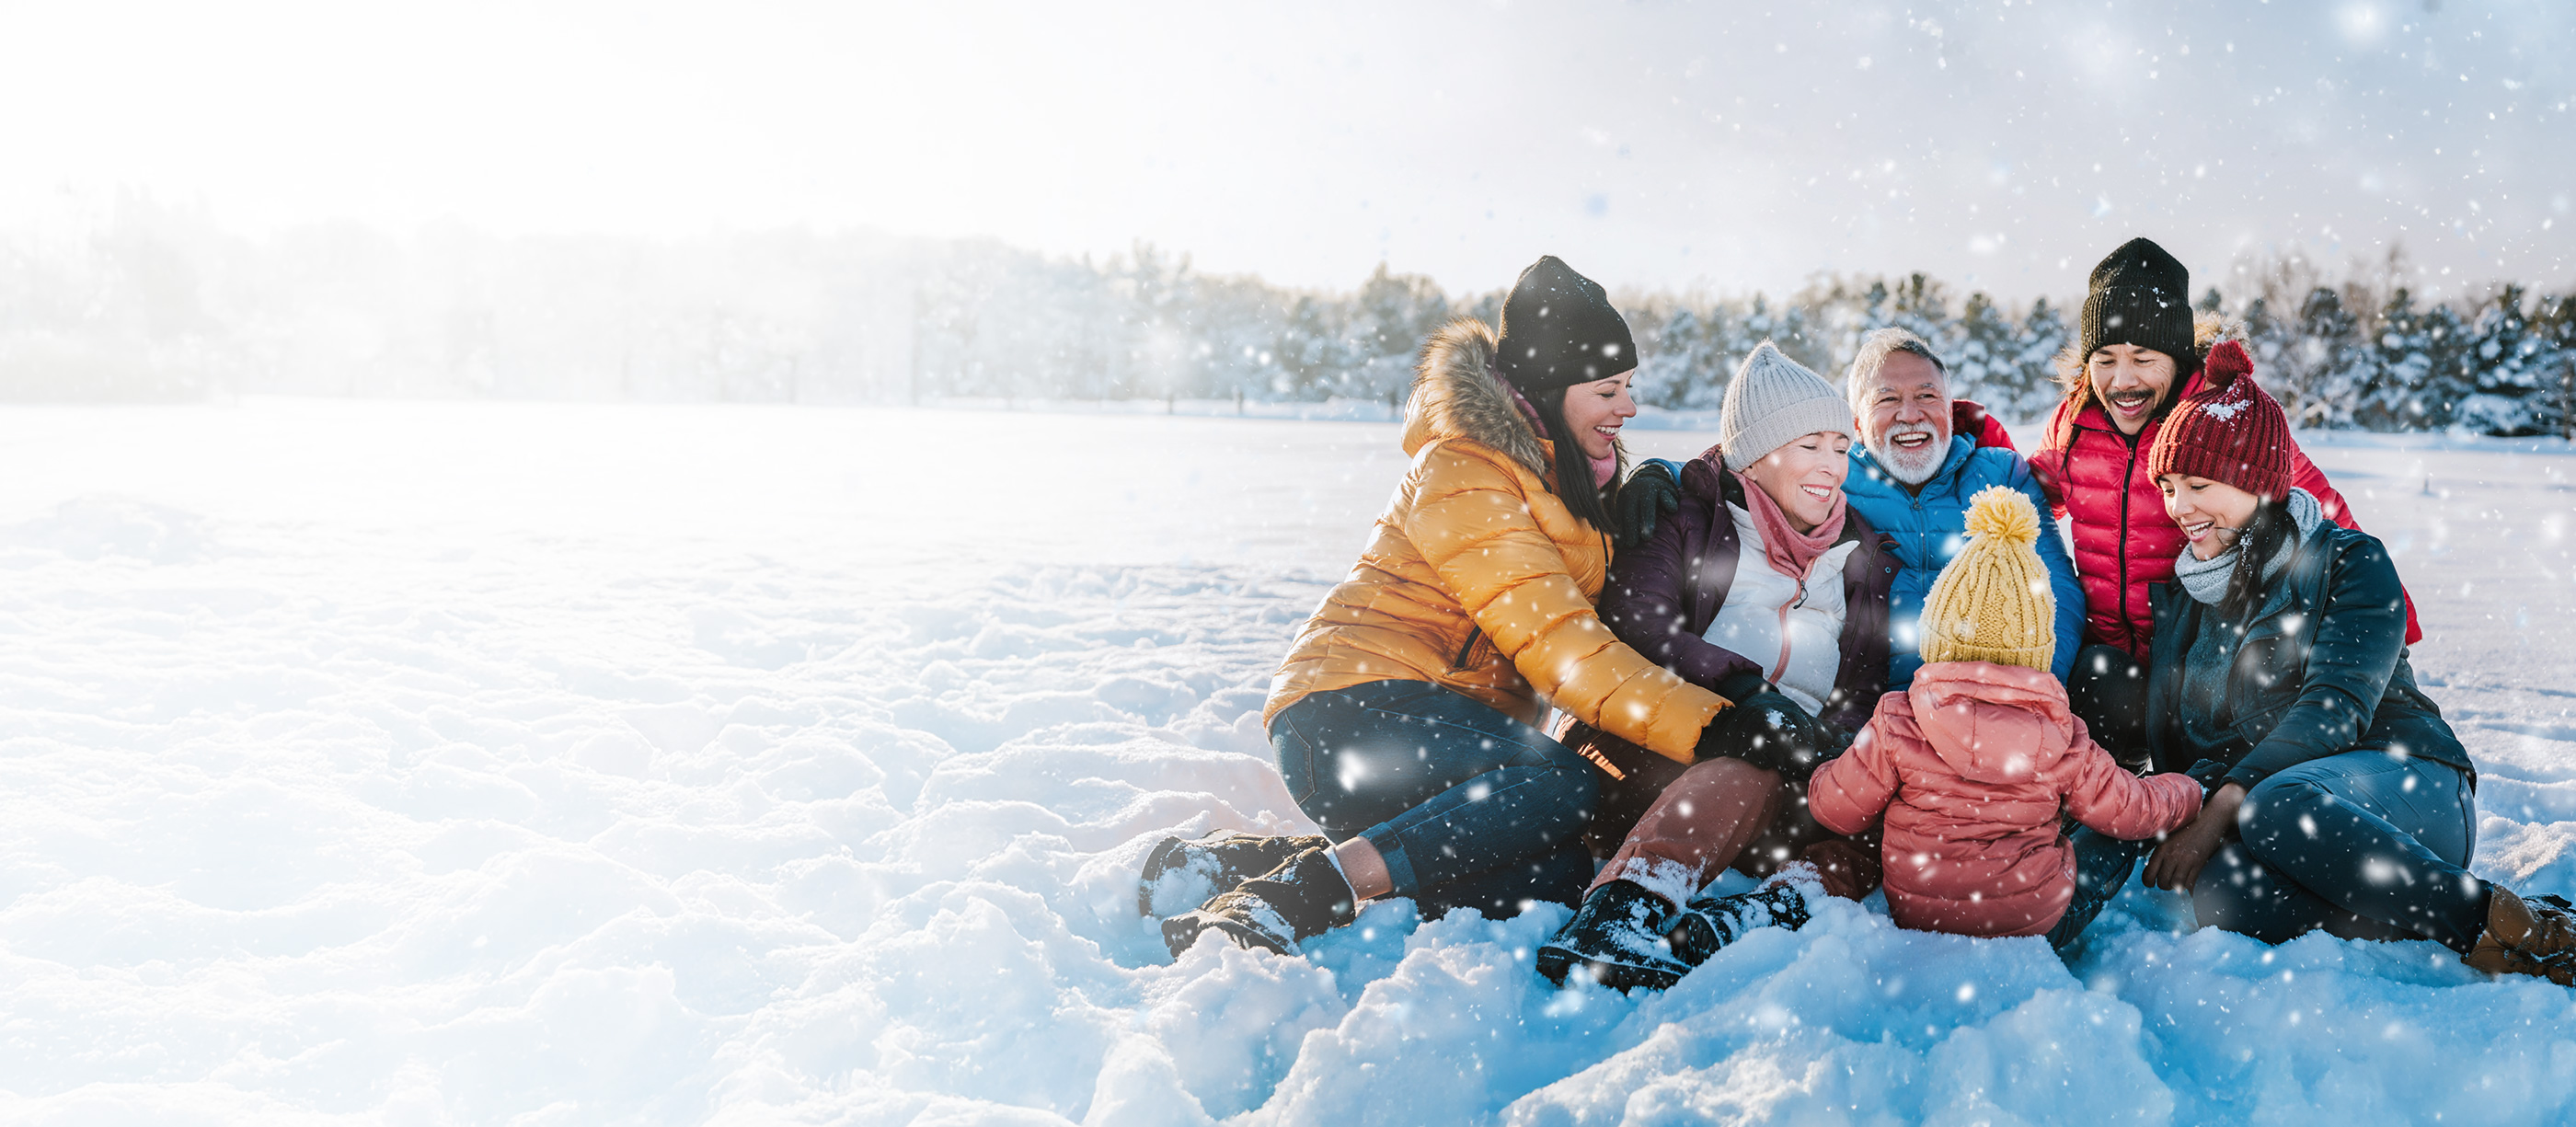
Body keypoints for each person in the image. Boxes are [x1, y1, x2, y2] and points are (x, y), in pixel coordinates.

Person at [1150, 257, 1823, 958]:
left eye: (1629, 386)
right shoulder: (1466, 471)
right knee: (1559, 781)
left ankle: (1228, 865)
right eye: (1608, 389)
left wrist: (1655, 481)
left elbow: (1607, 602)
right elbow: (1565, 648)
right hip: (1348, 713)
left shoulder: (1567, 478)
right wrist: (1716, 725)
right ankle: (1302, 892)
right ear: (1550, 388)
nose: (1628, 408)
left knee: (1549, 880)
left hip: (1453, 739)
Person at [2055, 359, 2574, 981]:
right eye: (2167, 486)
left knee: (2277, 804)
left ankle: (2508, 925)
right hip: (2296, 824)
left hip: (2409, 788)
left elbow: (2335, 709)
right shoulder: (2187, 600)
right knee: (2227, 893)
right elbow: (2187, 763)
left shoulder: (2350, 561)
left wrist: (2221, 807)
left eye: (2198, 484)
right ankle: (2412, 910)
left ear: (2254, 480)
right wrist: (2055, 891)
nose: (2178, 507)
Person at [1534, 342, 1891, 990]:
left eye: (1841, 447)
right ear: (1754, 456)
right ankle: (1621, 911)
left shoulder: (1859, 552)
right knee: (1748, 757)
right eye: (1809, 445)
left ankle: (1757, 914)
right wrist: (1746, 693)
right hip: (1662, 750)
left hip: (1795, 771)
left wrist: (1833, 750)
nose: (1832, 465)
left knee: (1890, 807)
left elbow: (1861, 684)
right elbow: (1639, 626)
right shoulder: (1687, 515)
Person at [2029, 237, 2416, 769]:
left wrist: (2391, 625)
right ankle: (2110, 792)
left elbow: (2315, 502)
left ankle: (2204, 787)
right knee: (2093, 682)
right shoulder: (2074, 424)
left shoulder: (2218, 420)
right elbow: (2027, 498)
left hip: (2201, 655)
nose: (2123, 380)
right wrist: (1967, 449)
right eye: (2105, 359)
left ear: (2176, 356)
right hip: (2112, 660)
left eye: (2143, 358)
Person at [1807, 487, 2202, 939]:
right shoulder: (2062, 734)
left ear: (1936, 632)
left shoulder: (1898, 720)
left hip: (1921, 917)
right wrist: (2188, 792)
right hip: (2036, 924)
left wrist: (1828, 772)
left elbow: (1835, 810)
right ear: (2037, 647)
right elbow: (2137, 811)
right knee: (2115, 832)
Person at [1842, 328, 2084, 689]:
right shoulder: (1834, 486)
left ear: (1950, 411)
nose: (1910, 414)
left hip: (1997, 693)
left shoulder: (2002, 475)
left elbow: (2055, 587)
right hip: (1874, 704)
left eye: (1927, 395)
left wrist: (2034, 685)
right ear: (1858, 423)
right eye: (1888, 399)